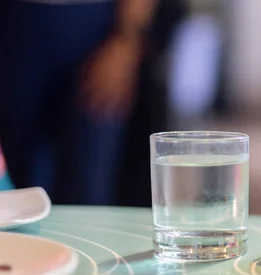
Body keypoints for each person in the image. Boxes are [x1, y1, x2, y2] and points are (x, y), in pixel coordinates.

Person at [0, 0, 158, 205]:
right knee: (13, 191)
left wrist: (126, 41)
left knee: (89, 186)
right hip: (15, 25)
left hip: (99, 31)